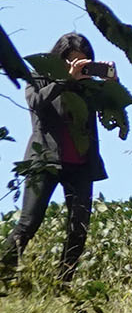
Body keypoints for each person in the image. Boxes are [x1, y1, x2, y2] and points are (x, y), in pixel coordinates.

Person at [2, 32, 116, 284]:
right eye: (71, 61)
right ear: (60, 57)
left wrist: (110, 84)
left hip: (81, 163)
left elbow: (111, 110)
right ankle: (3, 272)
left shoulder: (89, 84)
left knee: (79, 229)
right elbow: (35, 103)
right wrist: (65, 81)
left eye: (83, 62)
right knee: (29, 222)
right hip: (45, 160)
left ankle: (64, 283)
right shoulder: (40, 75)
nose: (76, 67)